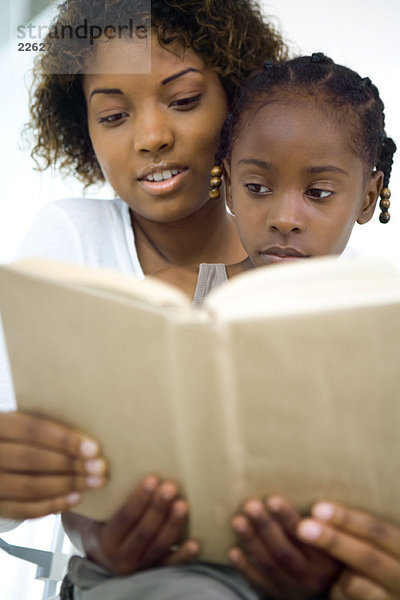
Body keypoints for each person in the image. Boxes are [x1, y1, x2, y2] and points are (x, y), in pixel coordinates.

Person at [0, 0, 289, 598]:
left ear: (237, 100)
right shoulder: (70, 238)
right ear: (82, 129)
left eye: (183, 101)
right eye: (113, 115)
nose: (152, 137)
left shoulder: (303, 247)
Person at [153, 53, 400, 600]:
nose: (285, 216)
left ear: (366, 195)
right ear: (228, 182)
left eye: (318, 193)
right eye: (259, 186)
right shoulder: (173, 300)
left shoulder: (386, 330)